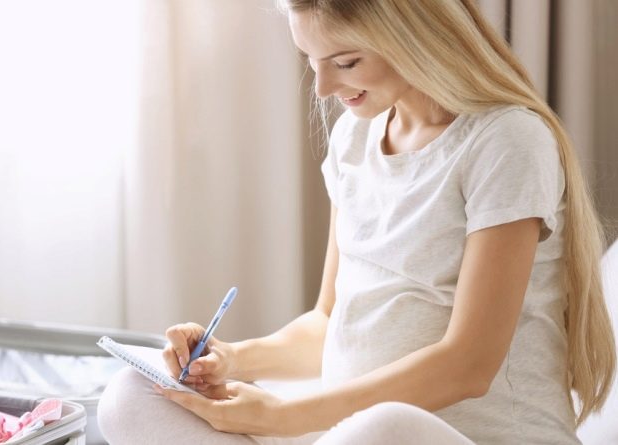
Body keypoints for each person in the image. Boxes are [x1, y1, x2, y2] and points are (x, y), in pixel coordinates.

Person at [97, 0, 616, 443]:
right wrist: (230, 359)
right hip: (345, 432)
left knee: (383, 427)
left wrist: (283, 417)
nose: (323, 87)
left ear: (413, 35)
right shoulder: (354, 139)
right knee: (132, 395)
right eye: (311, 61)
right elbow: (328, 323)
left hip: (458, 437)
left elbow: (468, 365)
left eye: (345, 62)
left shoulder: (506, 141)